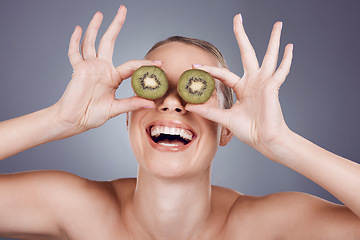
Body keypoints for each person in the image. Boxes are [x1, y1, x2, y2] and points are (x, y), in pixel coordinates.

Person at [0, 5, 359, 239]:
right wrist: (58, 119)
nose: (172, 102)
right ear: (126, 118)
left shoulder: (265, 227)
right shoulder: (77, 208)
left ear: (227, 129)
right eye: (154, 87)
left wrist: (283, 143)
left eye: (196, 91)